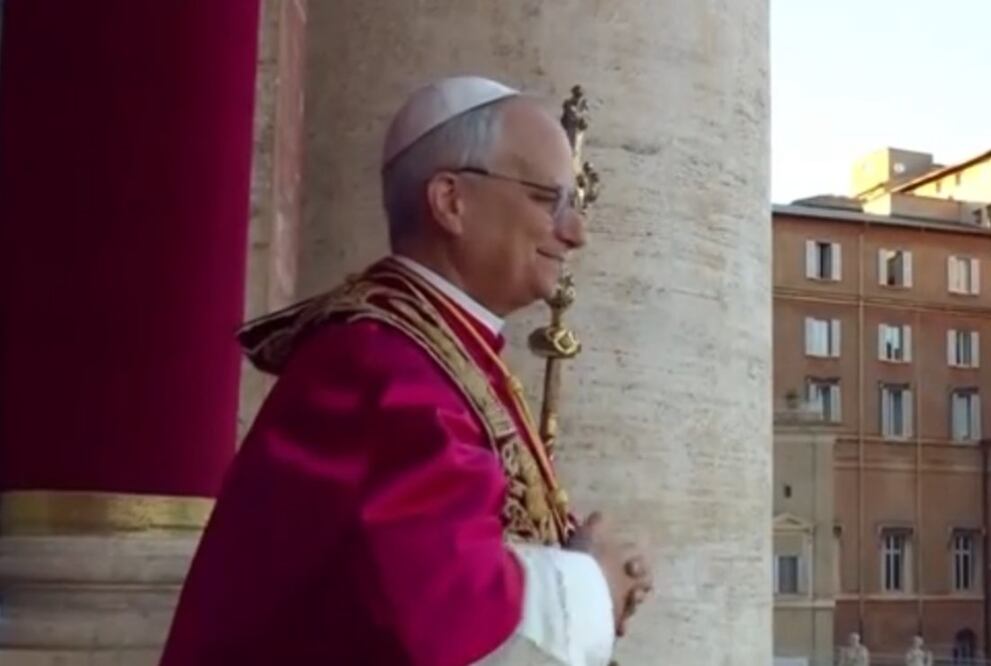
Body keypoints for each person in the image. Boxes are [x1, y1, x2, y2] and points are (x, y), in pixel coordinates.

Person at [159, 76, 653, 665]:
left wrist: (580, 559)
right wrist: (591, 586)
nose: (576, 233)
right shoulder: (380, 365)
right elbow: (442, 617)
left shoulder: (438, 346)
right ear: (451, 201)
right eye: (550, 201)